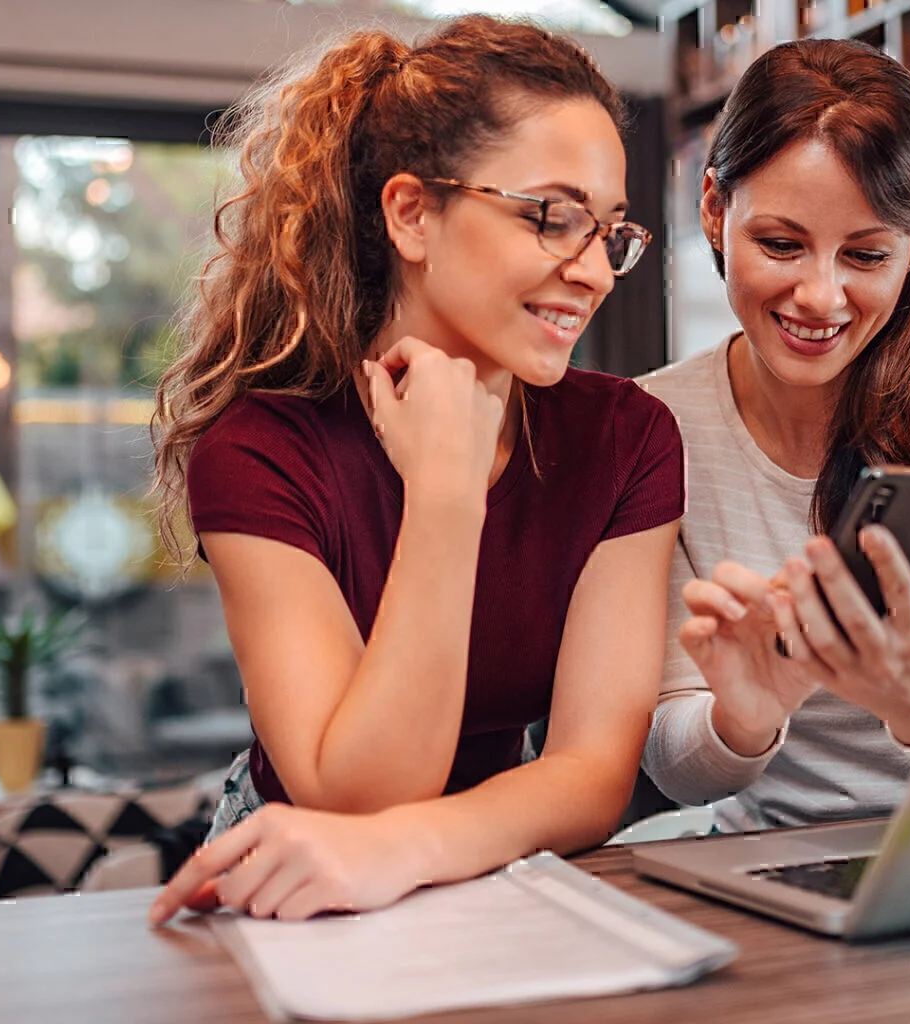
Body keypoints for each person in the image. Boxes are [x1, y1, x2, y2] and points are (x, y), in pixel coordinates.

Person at [145, 16, 684, 924]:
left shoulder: (625, 438)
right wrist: (444, 496)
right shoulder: (260, 450)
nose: (593, 271)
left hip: (500, 855)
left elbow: (591, 776)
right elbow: (352, 803)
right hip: (305, 877)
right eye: (552, 216)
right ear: (411, 214)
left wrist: (424, 847)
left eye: (610, 232)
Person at [639, 39, 910, 832]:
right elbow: (676, 769)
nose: (820, 296)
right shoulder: (654, 428)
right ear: (714, 209)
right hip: (758, 862)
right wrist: (746, 713)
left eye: (866, 254)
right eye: (780, 244)